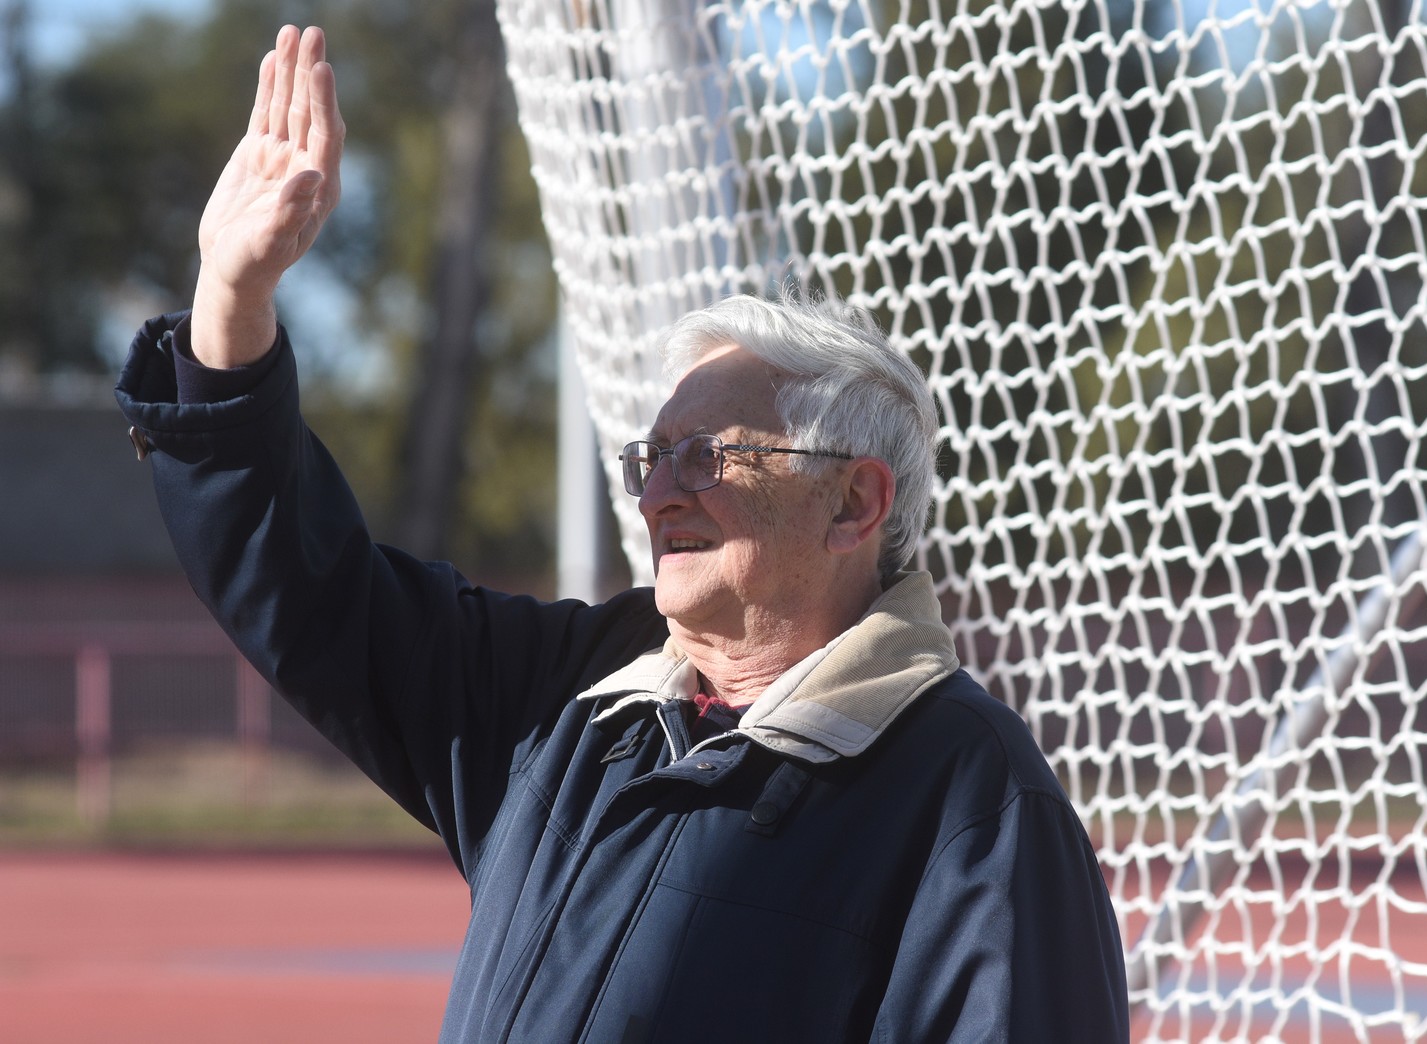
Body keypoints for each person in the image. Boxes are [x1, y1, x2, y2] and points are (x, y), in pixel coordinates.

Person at [116, 23, 1129, 1043]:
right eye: (651, 462)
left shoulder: (972, 801)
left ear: (854, 505)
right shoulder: (566, 709)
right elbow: (307, 589)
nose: (657, 499)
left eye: (707, 459)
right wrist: (233, 299)